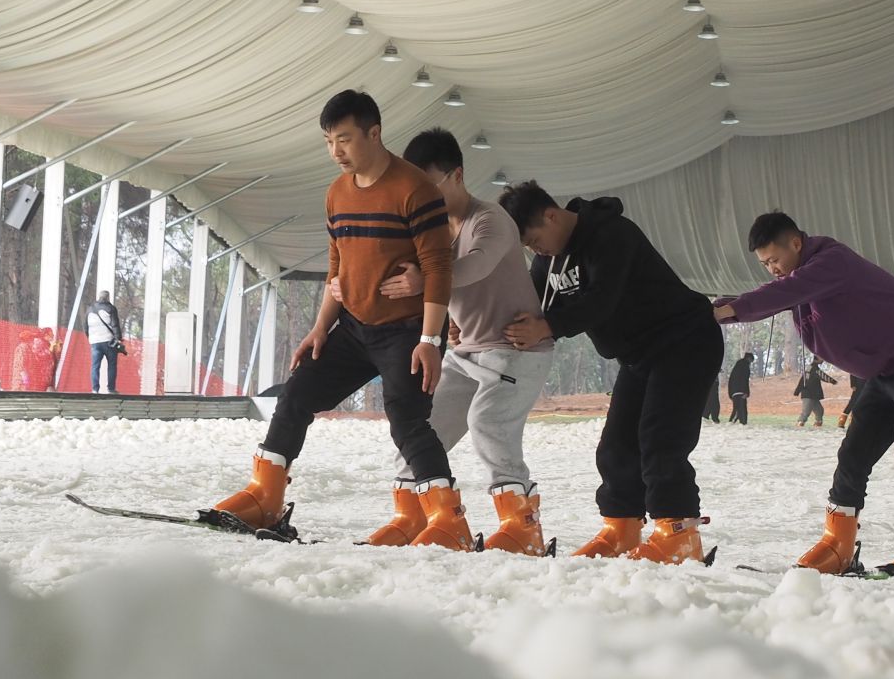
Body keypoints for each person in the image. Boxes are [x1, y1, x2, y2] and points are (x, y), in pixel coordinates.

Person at [208, 90, 469, 548]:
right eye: (329, 141)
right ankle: (265, 496)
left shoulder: (415, 190)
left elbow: (438, 268)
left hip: (407, 332)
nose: (336, 152)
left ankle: (449, 520)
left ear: (374, 133)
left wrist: (430, 339)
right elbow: (337, 268)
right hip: (352, 327)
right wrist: (319, 327)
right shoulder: (336, 194)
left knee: (406, 421)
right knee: (297, 394)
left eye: (345, 139)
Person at [328, 128, 554, 555]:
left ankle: (522, 524)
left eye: (430, 185)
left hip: (516, 352)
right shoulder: (425, 229)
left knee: (488, 424)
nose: (422, 196)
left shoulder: (491, 220)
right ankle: (413, 515)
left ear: (457, 176)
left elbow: (475, 267)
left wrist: (426, 283)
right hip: (467, 351)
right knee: (419, 426)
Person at [714, 211, 894, 577]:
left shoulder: (831, 261)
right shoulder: (801, 280)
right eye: (764, 263)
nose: (771, 268)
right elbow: (774, 294)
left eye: (774, 259)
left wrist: (727, 311)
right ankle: (838, 545)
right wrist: (716, 309)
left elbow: (780, 293)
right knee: (853, 453)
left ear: (796, 243)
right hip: (884, 370)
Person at [499, 182, 722, 564]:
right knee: (616, 446)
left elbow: (601, 301)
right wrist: (479, 326)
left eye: (534, 240)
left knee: (660, 439)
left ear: (551, 215)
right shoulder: (548, 261)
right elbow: (525, 302)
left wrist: (548, 325)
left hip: (685, 341)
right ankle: (622, 528)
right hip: (638, 355)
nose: (535, 251)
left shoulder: (613, 233)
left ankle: (679, 534)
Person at [87, 290, 125, 393]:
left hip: (95, 342)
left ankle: (95, 389)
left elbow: (86, 327)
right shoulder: (111, 308)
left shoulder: (90, 309)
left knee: (95, 366)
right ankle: (111, 389)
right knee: (112, 365)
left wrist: (90, 338)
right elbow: (115, 325)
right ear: (108, 297)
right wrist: (119, 339)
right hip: (109, 342)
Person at [794, 358, 836, 427]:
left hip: (813, 394)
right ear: (817, 358)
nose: (823, 360)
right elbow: (822, 376)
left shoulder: (811, 368)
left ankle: (818, 422)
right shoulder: (813, 369)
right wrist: (832, 381)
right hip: (808, 393)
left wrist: (797, 390)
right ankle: (800, 422)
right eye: (822, 359)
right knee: (806, 411)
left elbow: (803, 379)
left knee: (819, 410)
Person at [727, 351, 752, 424]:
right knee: (742, 409)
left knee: (736, 408)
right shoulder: (745, 366)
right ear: (749, 359)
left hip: (734, 392)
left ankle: (731, 422)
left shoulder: (737, 366)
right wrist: (746, 392)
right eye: (751, 361)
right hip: (741, 391)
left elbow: (731, 379)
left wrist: (730, 393)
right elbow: (745, 380)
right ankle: (741, 423)